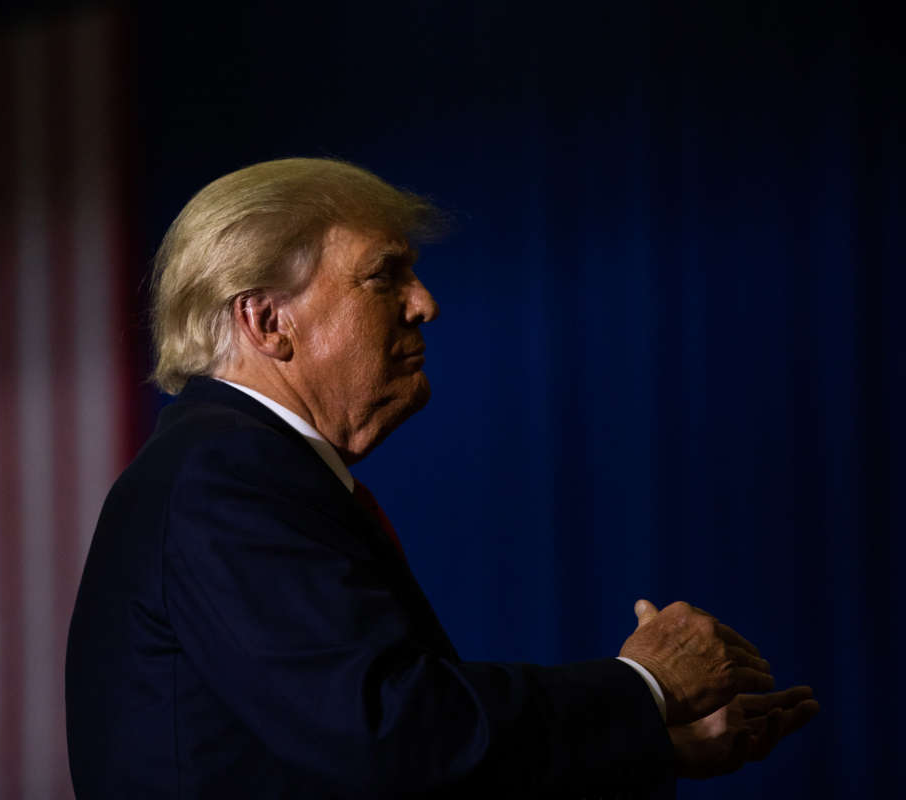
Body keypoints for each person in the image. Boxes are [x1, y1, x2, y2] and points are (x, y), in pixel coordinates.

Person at [64, 158, 817, 798]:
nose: (425, 303)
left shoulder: (242, 467)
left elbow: (384, 761)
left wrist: (657, 741)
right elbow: (386, 733)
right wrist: (643, 688)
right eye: (383, 277)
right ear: (267, 322)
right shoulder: (227, 475)